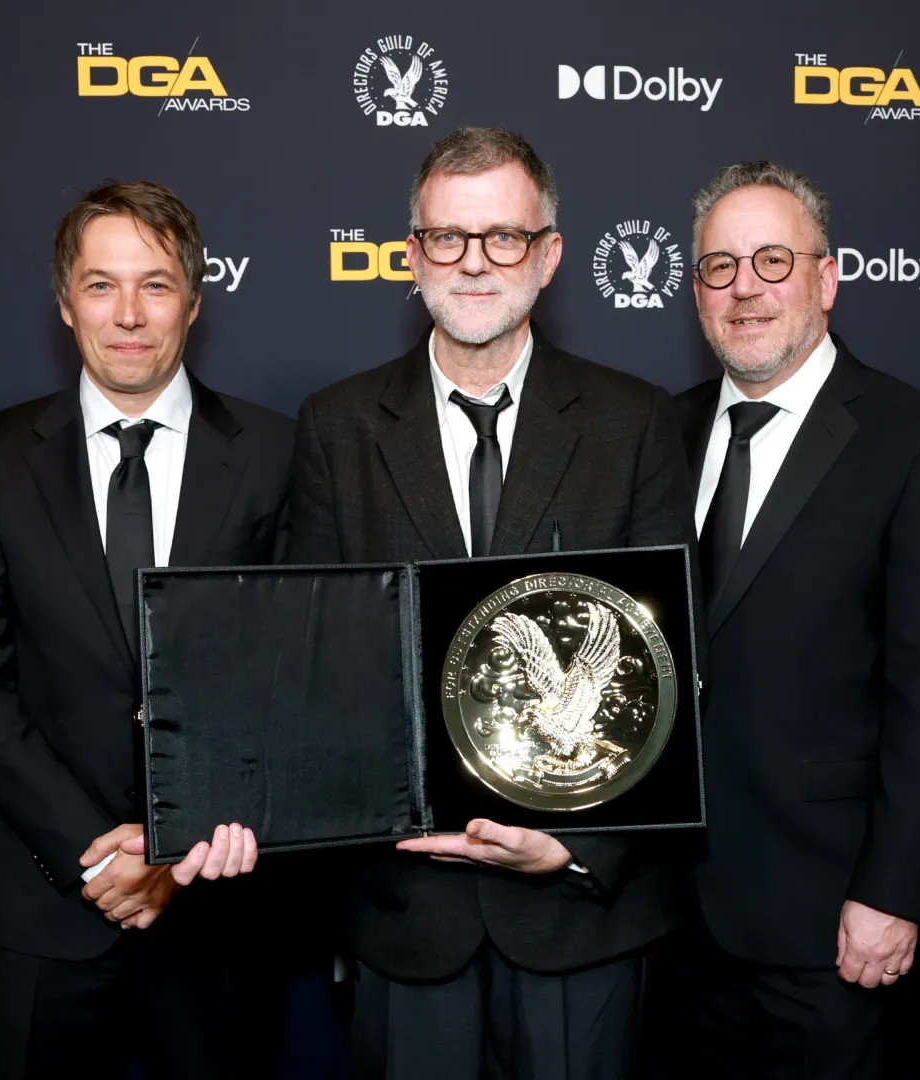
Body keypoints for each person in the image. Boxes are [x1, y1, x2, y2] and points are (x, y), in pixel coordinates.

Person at [284, 126, 695, 1078]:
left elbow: (672, 660)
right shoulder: (337, 427)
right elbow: (320, 671)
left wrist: (578, 850)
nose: (474, 263)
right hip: (404, 913)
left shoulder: (634, 421)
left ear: (548, 255)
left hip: (580, 911)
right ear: (411, 254)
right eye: (447, 238)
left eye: (503, 237)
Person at [0, 182, 292, 1079]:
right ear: (65, 304)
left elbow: (292, 676)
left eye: (156, 285)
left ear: (196, 301)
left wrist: (175, 850)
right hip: (45, 899)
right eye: (101, 286)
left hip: (218, 899)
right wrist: (96, 857)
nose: (129, 315)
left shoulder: (275, 452)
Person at [666, 161, 920, 1078]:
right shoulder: (657, 432)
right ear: (694, 293)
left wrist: (895, 890)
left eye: (772, 259)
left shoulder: (914, 439)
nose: (745, 287)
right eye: (719, 267)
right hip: (671, 923)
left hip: (833, 921)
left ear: (828, 278)